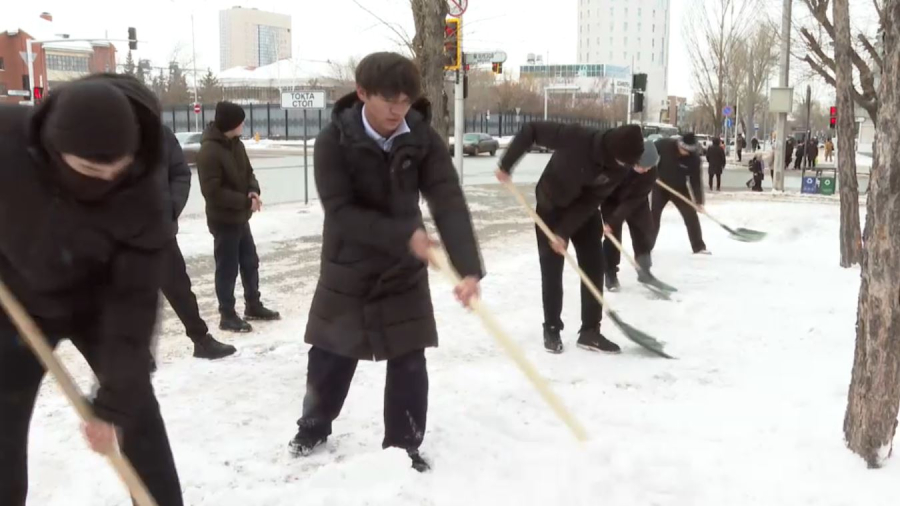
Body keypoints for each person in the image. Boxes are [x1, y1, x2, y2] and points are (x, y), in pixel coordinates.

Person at [289, 52, 484, 473]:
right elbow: (339, 210)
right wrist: (403, 235)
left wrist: (468, 267)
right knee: (331, 352)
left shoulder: (421, 137)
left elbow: (447, 198)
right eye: (389, 100)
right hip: (349, 262)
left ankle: (403, 444)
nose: (399, 110)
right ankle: (314, 424)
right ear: (362, 94)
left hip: (404, 267)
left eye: (406, 100)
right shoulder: (332, 141)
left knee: (410, 356)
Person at [0, 75, 183, 504]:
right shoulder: (7, 141)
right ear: (51, 147)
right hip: (18, 299)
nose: (103, 182)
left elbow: (134, 308)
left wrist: (114, 405)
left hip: (100, 305)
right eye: (88, 170)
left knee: (137, 413)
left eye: (114, 172)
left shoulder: (144, 197)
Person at [498, 121, 649, 355]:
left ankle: (590, 331)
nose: (626, 166)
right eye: (624, 161)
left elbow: (592, 199)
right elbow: (532, 131)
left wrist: (564, 232)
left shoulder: (619, 168)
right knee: (552, 266)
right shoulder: (578, 137)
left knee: (594, 264)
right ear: (613, 149)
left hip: (583, 210)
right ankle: (552, 329)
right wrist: (507, 163)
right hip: (551, 205)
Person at [197, 101, 280, 333]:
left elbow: (249, 172)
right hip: (223, 220)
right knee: (227, 268)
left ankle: (253, 305)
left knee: (250, 262)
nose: (243, 125)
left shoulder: (236, 145)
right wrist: (245, 202)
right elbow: (212, 192)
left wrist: (253, 191)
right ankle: (227, 315)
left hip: (240, 218)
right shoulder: (209, 151)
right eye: (240, 121)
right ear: (230, 124)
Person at [159, 125, 236, 360]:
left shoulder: (160, 134)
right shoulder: (106, 132)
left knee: (180, 289)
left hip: (158, 231)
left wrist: (170, 207)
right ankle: (134, 353)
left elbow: (180, 173)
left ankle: (201, 340)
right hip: (116, 234)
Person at [602, 140, 661, 291]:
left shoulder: (651, 172)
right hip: (611, 199)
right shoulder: (617, 164)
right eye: (642, 166)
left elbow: (633, 201)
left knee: (644, 231)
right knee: (613, 235)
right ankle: (610, 274)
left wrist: (617, 218)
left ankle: (644, 271)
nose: (646, 170)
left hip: (636, 200)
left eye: (649, 167)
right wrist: (612, 221)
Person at [651, 133, 709, 255]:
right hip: (660, 185)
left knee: (691, 216)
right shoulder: (665, 145)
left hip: (680, 189)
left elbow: (696, 181)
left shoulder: (694, 159)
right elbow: (647, 152)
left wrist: (698, 201)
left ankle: (698, 246)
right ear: (679, 145)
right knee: (654, 216)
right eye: (685, 150)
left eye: (689, 151)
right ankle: (647, 245)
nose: (686, 153)